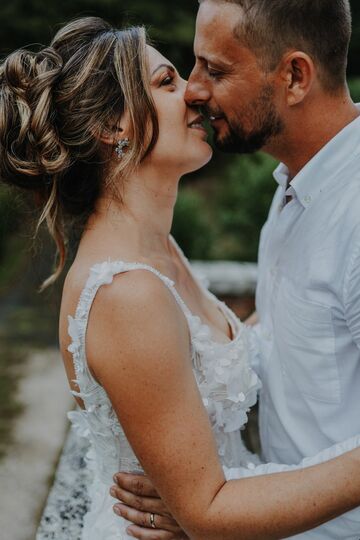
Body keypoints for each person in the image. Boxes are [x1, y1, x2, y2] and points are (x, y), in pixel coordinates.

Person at [1, 14, 360, 540]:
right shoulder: (127, 293)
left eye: (193, 73)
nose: (194, 92)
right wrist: (202, 504)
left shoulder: (161, 251)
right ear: (113, 127)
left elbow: (239, 343)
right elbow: (207, 510)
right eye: (167, 81)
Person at [110, 0, 360, 538]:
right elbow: (302, 339)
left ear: (294, 76)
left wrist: (223, 507)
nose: (195, 90)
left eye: (216, 70)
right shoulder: (297, 183)